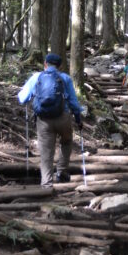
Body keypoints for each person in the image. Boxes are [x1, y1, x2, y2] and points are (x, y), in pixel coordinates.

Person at [18, 52, 83, 188]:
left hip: (43, 120)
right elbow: (73, 103)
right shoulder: (65, 78)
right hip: (63, 118)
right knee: (66, 142)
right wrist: (78, 119)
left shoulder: (36, 77)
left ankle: (46, 184)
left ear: (45, 64)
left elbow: (22, 98)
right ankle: (61, 171)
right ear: (60, 66)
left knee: (46, 152)